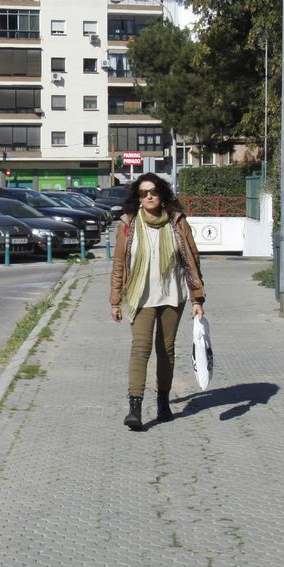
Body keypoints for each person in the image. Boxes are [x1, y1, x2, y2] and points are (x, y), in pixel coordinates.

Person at [109, 173, 206, 431]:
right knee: (140, 348)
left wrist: (198, 298)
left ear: (162, 193)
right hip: (140, 296)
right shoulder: (128, 224)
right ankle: (135, 408)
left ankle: (163, 401)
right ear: (137, 198)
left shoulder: (176, 222)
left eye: (152, 191)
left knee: (166, 350)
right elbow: (119, 264)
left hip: (172, 295)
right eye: (143, 193)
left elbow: (192, 260)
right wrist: (115, 300)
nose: (148, 196)